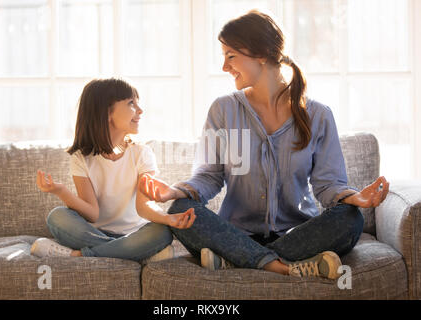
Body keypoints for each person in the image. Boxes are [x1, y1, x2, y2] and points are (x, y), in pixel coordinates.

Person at [139, 10, 389, 279]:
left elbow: (327, 185)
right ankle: (281, 264)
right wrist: (173, 192)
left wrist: (356, 198)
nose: (224, 67)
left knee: (350, 219)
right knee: (180, 210)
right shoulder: (223, 110)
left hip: (298, 233)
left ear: (261, 55)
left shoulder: (318, 115)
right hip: (234, 232)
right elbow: (209, 176)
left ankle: (237, 259)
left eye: (231, 56)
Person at [31, 78, 196, 262]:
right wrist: (61, 191)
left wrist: (167, 219)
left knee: (162, 232)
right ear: (107, 113)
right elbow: (93, 214)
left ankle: (79, 255)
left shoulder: (141, 153)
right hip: (96, 232)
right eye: (131, 103)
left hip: (137, 232)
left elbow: (144, 206)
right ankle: (134, 252)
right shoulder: (81, 158)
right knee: (57, 217)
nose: (140, 111)